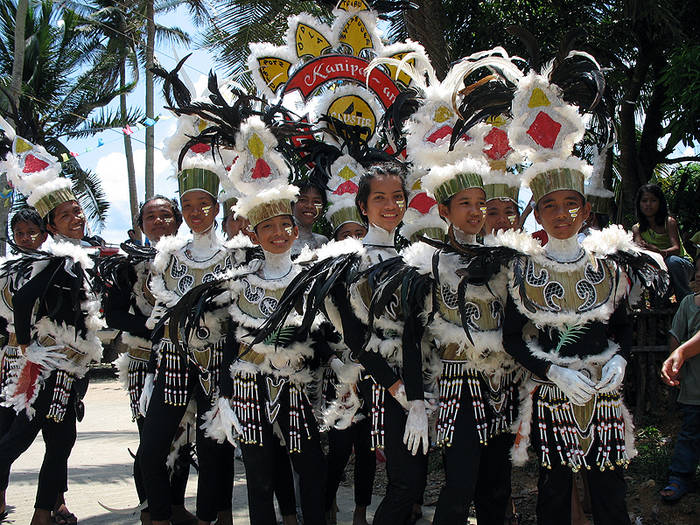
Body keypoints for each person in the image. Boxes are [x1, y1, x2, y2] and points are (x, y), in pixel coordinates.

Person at [199, 115, 329, 525]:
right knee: (259, 478)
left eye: (284, 225)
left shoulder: (313, 277)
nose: (277, 233)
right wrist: (222, 395)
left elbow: (325, 337)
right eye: (267, 227)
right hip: (248, 389)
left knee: (310, 471)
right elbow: (224, 343)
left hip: (298, 389)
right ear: (253, 235)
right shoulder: (238, 283)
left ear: (295, 229)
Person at [0, 144, 106, 525]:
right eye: (65, 215)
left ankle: (43, 514)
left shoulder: (78, 255)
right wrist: (28, 343)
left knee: (60, 444)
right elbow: (25, 298)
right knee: (18, 440)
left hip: (71, 367)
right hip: (50, 364)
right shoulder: (56, 258)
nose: (76, 217)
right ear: (51, 226)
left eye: (77, 209)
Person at [137, 154, 237, 525]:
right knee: (151, 449)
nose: (196, 212)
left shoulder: (234, 256)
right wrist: (150, 374)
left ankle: (215, 517)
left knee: (215, 451)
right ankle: (161, 516)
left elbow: (238, 321)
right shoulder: (168, 256)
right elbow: (161, 319)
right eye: (189, 206)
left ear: (215, 206)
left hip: (217, 366)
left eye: (203, 204)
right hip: (172, 363)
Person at [102, 195, 197, 525]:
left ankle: (175, 505)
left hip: (185, 360)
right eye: (150, 217)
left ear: (177, 220)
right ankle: (150, 507)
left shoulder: (193, 259)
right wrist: (151, 328)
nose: (158, 221)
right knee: (151, 441)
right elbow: (113, 314)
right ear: (140, 225)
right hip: (144, 363)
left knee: (183, 437)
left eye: (165, 215)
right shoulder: (128, 265)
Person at [0, 209, 49, 517]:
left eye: (33, 231)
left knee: (57, 438)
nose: (27, 238)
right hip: (9, 363)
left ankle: (56, 503)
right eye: (20, 233)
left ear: (44, 234)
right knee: (4, 428)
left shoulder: (55, 267)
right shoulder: (4, 271)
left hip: (48, 362)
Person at [659, 257, 700, 503]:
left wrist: (681, 353)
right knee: (689, 434)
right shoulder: (688, 304)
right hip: (694, 387)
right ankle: (680, 477)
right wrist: (676, 362)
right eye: (698, 271)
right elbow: (675, 335)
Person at [632, 184, 694, 299]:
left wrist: (660, 252)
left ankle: (684, 299)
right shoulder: (637, 228)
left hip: (680, 265)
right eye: (644, 201)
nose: (648, 205)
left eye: (653, 200)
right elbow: (638, 248)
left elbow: (676, 249)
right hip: (657, 267)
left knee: (672, 261)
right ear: (639, 204)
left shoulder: (669, 222)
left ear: (660, 203)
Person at [290, 182, 328, 257]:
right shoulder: (281, 240)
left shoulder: (322, 243)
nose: (310, 206)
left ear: (322, 210)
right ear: (292, 206)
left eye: (316, 201)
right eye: (303, 200)